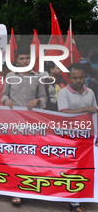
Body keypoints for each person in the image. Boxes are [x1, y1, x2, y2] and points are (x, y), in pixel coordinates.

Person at [1, 47, 47, 205]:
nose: (25, 61)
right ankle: (14, 189)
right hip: (12, 122)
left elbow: (43, 98)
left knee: (28, 156)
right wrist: (6, 100)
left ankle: (28, 186)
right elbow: (3, 96)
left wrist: (38, 101)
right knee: (13, 155)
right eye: (22, 58)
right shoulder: (10, 76)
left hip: (31, 123)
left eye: (28, 58)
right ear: (17, 61)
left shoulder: (38, 77)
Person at [57, 63, 97, 212]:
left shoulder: (90, 92)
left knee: (86, 168)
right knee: (71, 168)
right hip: (69, 138)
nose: (78, 80)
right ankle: (74, 203)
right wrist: (86, 109)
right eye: (75, 78)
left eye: (81, 77)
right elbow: (63, 114)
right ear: (69, 78)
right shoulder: (63, 93)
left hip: (87, 138)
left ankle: (85, 194)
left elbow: (95, 113)